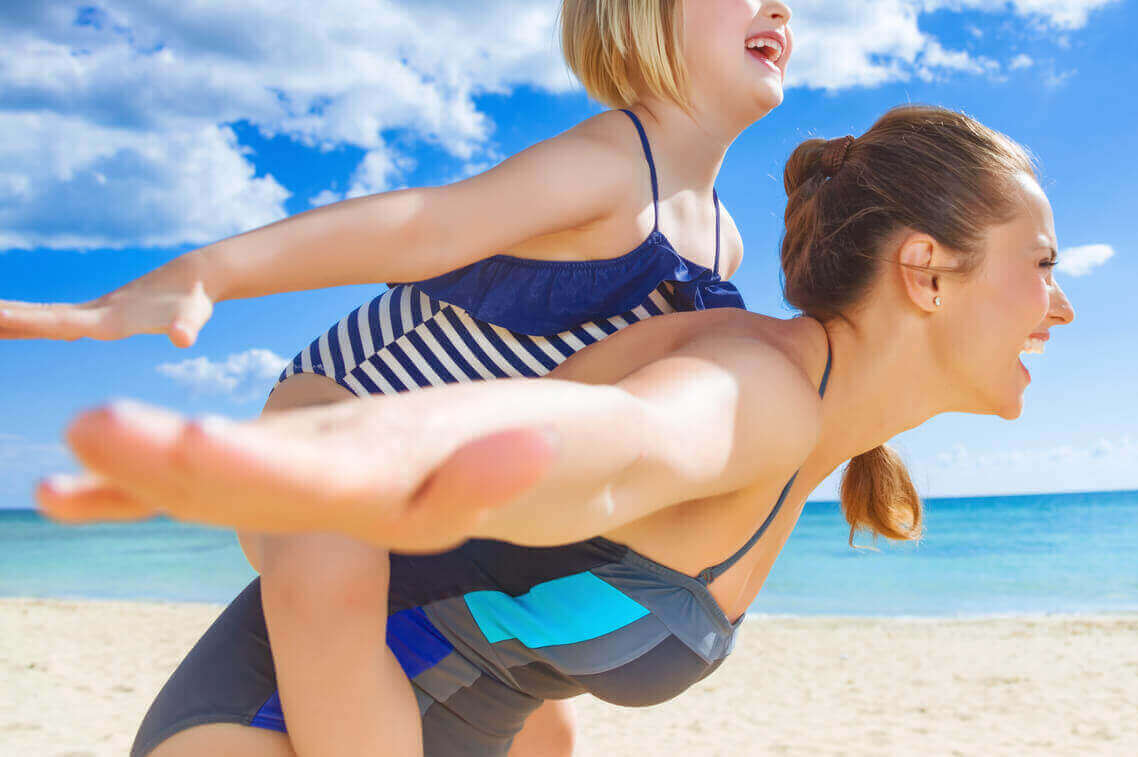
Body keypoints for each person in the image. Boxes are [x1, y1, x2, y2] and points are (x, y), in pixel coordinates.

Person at [40, 105, 1077, 757]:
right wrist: (342, 455)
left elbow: (528, 673)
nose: (1058, 304)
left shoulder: (813, 427)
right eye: (1039, 263)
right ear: (925, 271)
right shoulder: (757, 387)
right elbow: (612, 439)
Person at [6, 0, 794, 757]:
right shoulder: (612, 161)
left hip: (448, 481)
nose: (777, 11)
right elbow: (425, 228)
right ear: (646, 24)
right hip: (343, 405)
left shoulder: (722, 238)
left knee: (536, 714)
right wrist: (211, 271)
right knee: (327, 547)